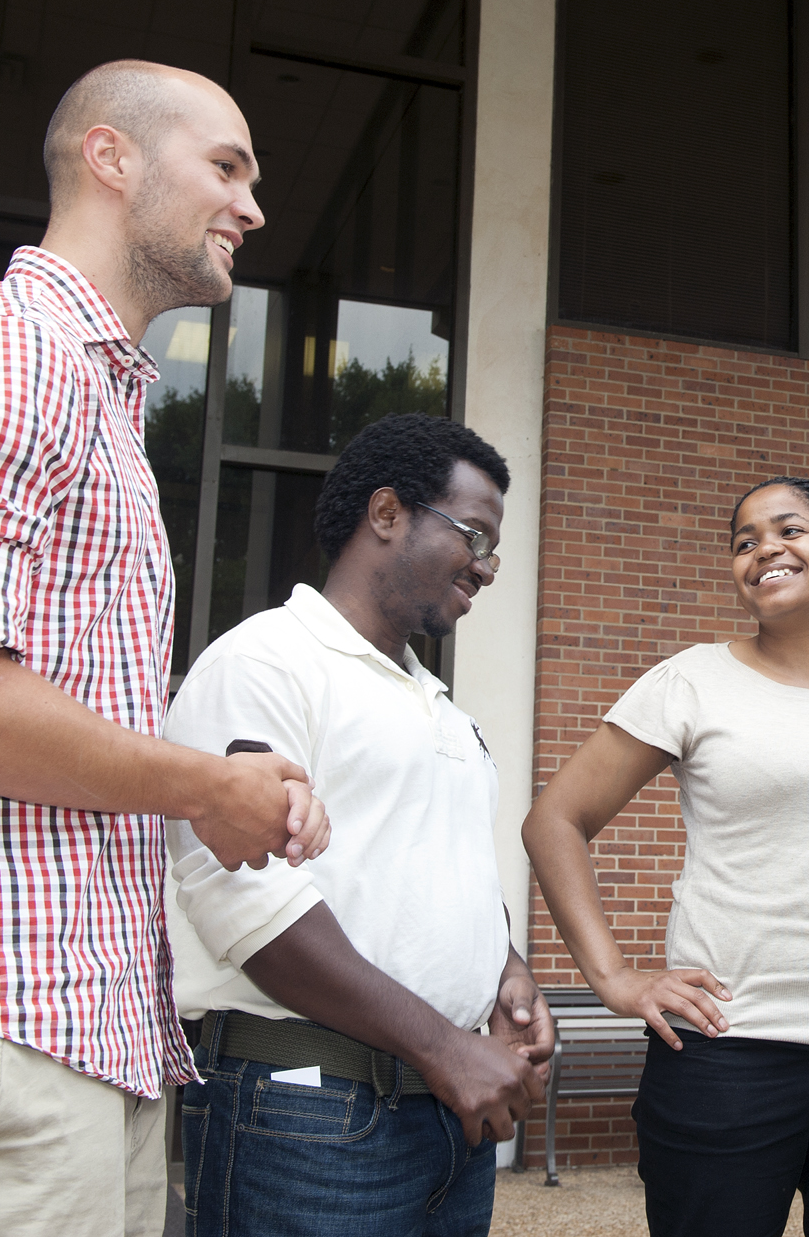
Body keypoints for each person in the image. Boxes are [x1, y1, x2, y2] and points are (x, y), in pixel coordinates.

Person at [0, 61, 329, 1237]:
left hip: (79, 1033)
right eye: (226, 166)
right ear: (111, 159)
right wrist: (208, 783)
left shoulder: (97, 394)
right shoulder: (5, 353)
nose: (253, 207)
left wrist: (190, 793)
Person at [523, 476, 809, 1236]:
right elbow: (556, 819)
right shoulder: (692, 681)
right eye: (745, 541)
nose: (764, 549)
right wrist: (615, 978)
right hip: (726, 1055)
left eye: (788, 530)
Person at [166, 411, 551, 1236]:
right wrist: (446, 1047)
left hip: (447, 1117)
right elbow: (248, 906)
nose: (485, 569)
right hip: (310, 1113)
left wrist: (505, 969)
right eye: (474, 536)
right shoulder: (265, 661)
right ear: (386, 514)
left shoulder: (437, 704)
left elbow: (431, 866)